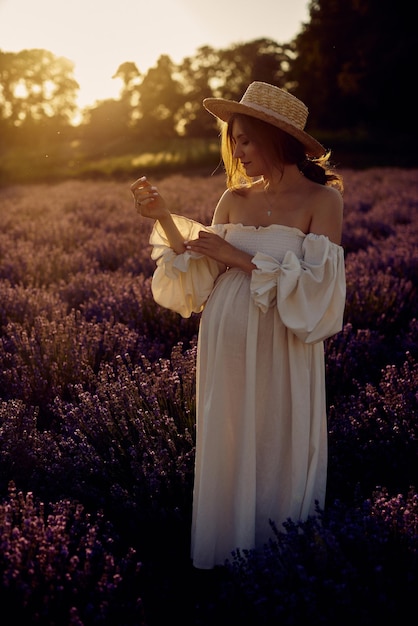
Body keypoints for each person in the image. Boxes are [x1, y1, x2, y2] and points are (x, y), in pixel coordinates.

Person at [130, 81, 346, 571]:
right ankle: (226, 556)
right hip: (226, 332)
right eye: (235, 140)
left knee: (277, 435)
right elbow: (199, 264)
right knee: (231, 433)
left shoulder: (322, 200)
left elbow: (320, 290)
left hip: (284, 337)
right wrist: (163, 218)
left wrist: (240, 257)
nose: (238, 151)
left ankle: (279, 557)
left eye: (246, 139)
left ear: (276, 137)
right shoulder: (232, 197)